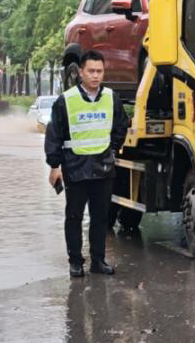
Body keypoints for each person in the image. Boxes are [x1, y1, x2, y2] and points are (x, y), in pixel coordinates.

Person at [45, 48, 129, 278]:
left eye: (99, 71)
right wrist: (54, 166)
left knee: (101, 218)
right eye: (91, 71)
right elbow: (54, 134)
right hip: (75, 168)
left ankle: (98, 261)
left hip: (103, 167)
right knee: (74, 216)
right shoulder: (66, 101)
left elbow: (122, 125)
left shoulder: (111, 98)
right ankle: (75, 262)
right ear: (80, 72)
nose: (95, 76)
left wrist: (113, 148)